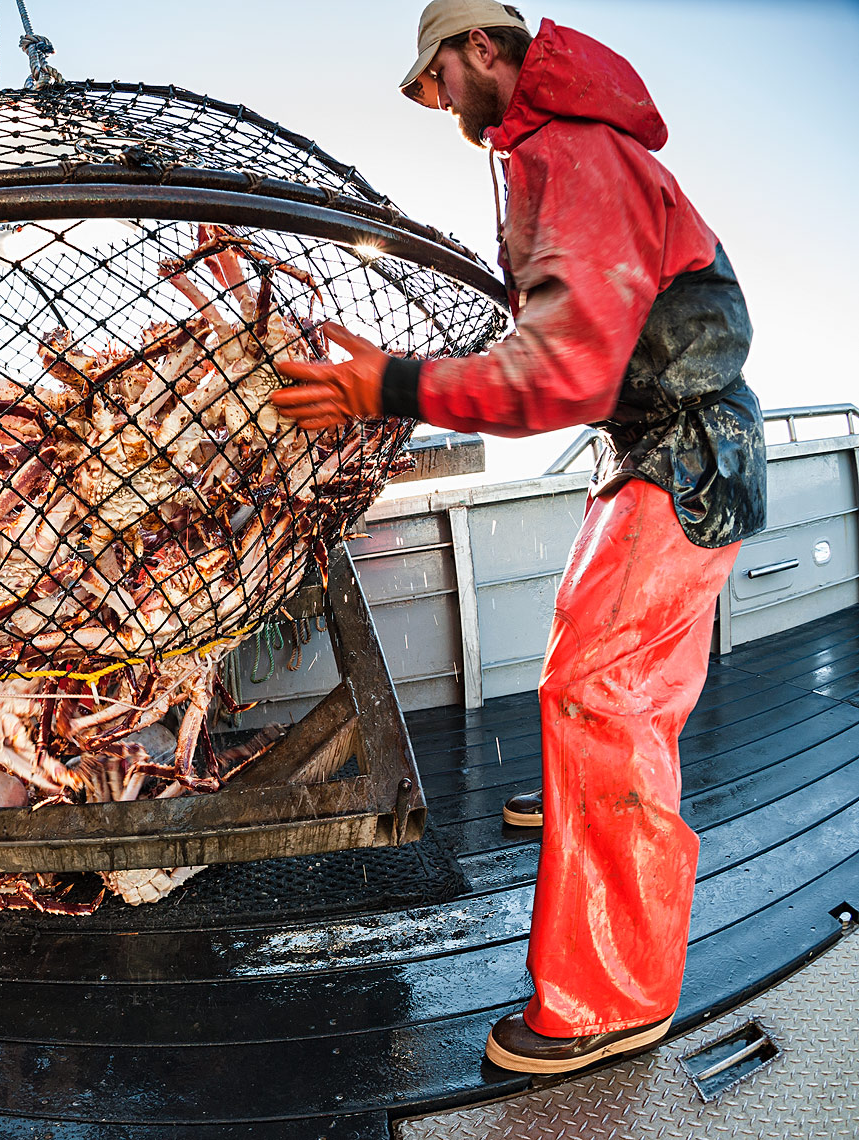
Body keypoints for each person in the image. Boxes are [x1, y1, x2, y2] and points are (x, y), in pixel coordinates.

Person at [271, 1, 765, 1075]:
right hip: (668, 450)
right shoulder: (558, 145)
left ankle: (611, 998)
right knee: (613, 689)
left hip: (680, 452)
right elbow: (562, 336)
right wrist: (393, 372)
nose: (437, 100)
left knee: (598, 698)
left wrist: (387, 386)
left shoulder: (571, 152)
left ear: (481, 48)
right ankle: (595, 803)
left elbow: (564, 370)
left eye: (438, 77)